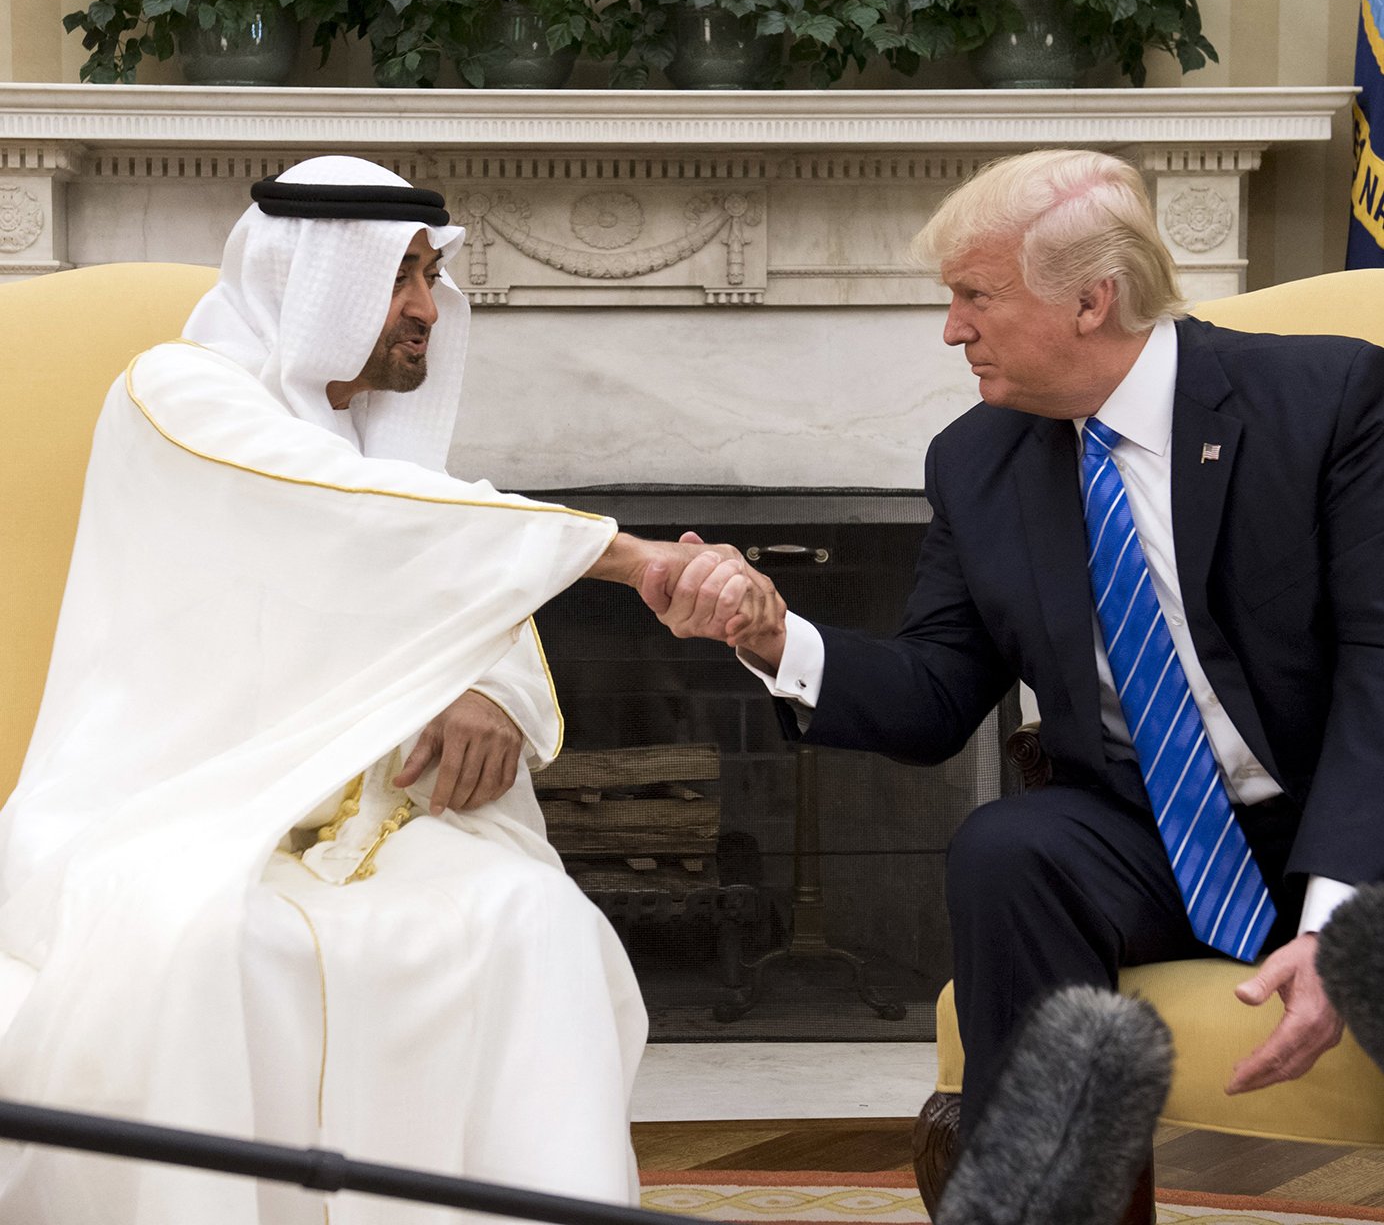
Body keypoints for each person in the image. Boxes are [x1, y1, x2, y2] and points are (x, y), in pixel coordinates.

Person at [0, 156, 739, 1224]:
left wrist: (487, 688)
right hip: (180, 807)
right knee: (200, 951)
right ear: (313, 281)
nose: (426, 309)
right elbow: (358, 517)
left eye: (431, 276)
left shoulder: (385, 455)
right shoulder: (179, 391)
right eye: (399, 278)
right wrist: (629, 559)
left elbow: (445, 565)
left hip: (368, 817)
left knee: (533, 920)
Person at [648, 148, 1383, 1141]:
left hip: (1345, 818)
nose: (951, 328)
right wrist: (774, 635)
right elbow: (935, 691)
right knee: (1009, 847)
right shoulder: (976, 460)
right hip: (1155, 838)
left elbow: (1380, 669)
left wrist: (1336, 917)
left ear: (1091, 301)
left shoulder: (1330, 399)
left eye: (973, 295)